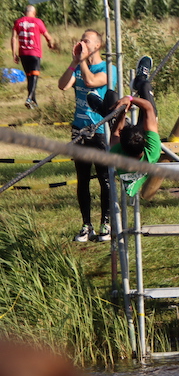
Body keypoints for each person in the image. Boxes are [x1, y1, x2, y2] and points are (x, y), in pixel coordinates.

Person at [57, 29, 117, 243]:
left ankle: (106, 224)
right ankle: (86, 225)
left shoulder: (109, 68)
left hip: (100, 132)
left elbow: (92, 82)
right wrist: (74, 62)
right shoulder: (78, 66)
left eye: (87, 40)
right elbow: (63, 85)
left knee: (104, 179)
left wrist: (82, 62)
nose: (82, 42)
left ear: (97, 45)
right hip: (79, 130)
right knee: (82, 180)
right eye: (81, 39)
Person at [106, 56, 162, 199]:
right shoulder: (152, 151)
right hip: (137, 145)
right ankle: (140, 79)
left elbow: (116, 131)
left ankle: (103, 110)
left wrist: (122, 112)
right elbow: (148, 109)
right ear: (144, 141)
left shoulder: (117, 155)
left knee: (111, 97)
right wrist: (130, 99)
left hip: (129, 152)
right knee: (145, 87)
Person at [11, 4, 56, 109]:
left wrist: (14, 54)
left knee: (29, 77)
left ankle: (33, 103)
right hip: (34, 53)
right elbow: (47, 36)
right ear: (34, 13)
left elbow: (14, 38)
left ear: (24, 12)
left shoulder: (18, 22)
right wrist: (51, 44)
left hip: (23, 53)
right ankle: (29, 97)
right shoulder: (37, 21)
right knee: (34, 76)